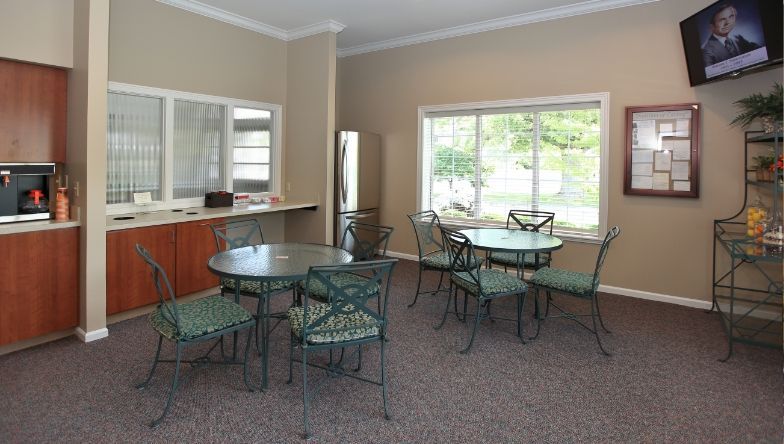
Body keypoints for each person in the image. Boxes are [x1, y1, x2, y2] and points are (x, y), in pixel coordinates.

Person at [701, 2, 761, 66]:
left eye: (731, 16)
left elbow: (757, 50)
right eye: (722, 20)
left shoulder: (737, 38)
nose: (728, 22)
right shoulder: (705, 50)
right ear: (712, 27)